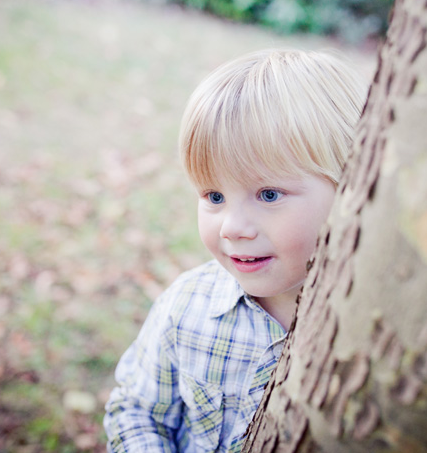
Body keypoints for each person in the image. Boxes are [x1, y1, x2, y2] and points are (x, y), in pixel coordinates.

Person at [104, 49, 367, 452]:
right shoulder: (186, 308)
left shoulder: (374, 327)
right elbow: (137, 410)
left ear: (351, 185)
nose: (232, 228)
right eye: (214, 195)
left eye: (268, 194)